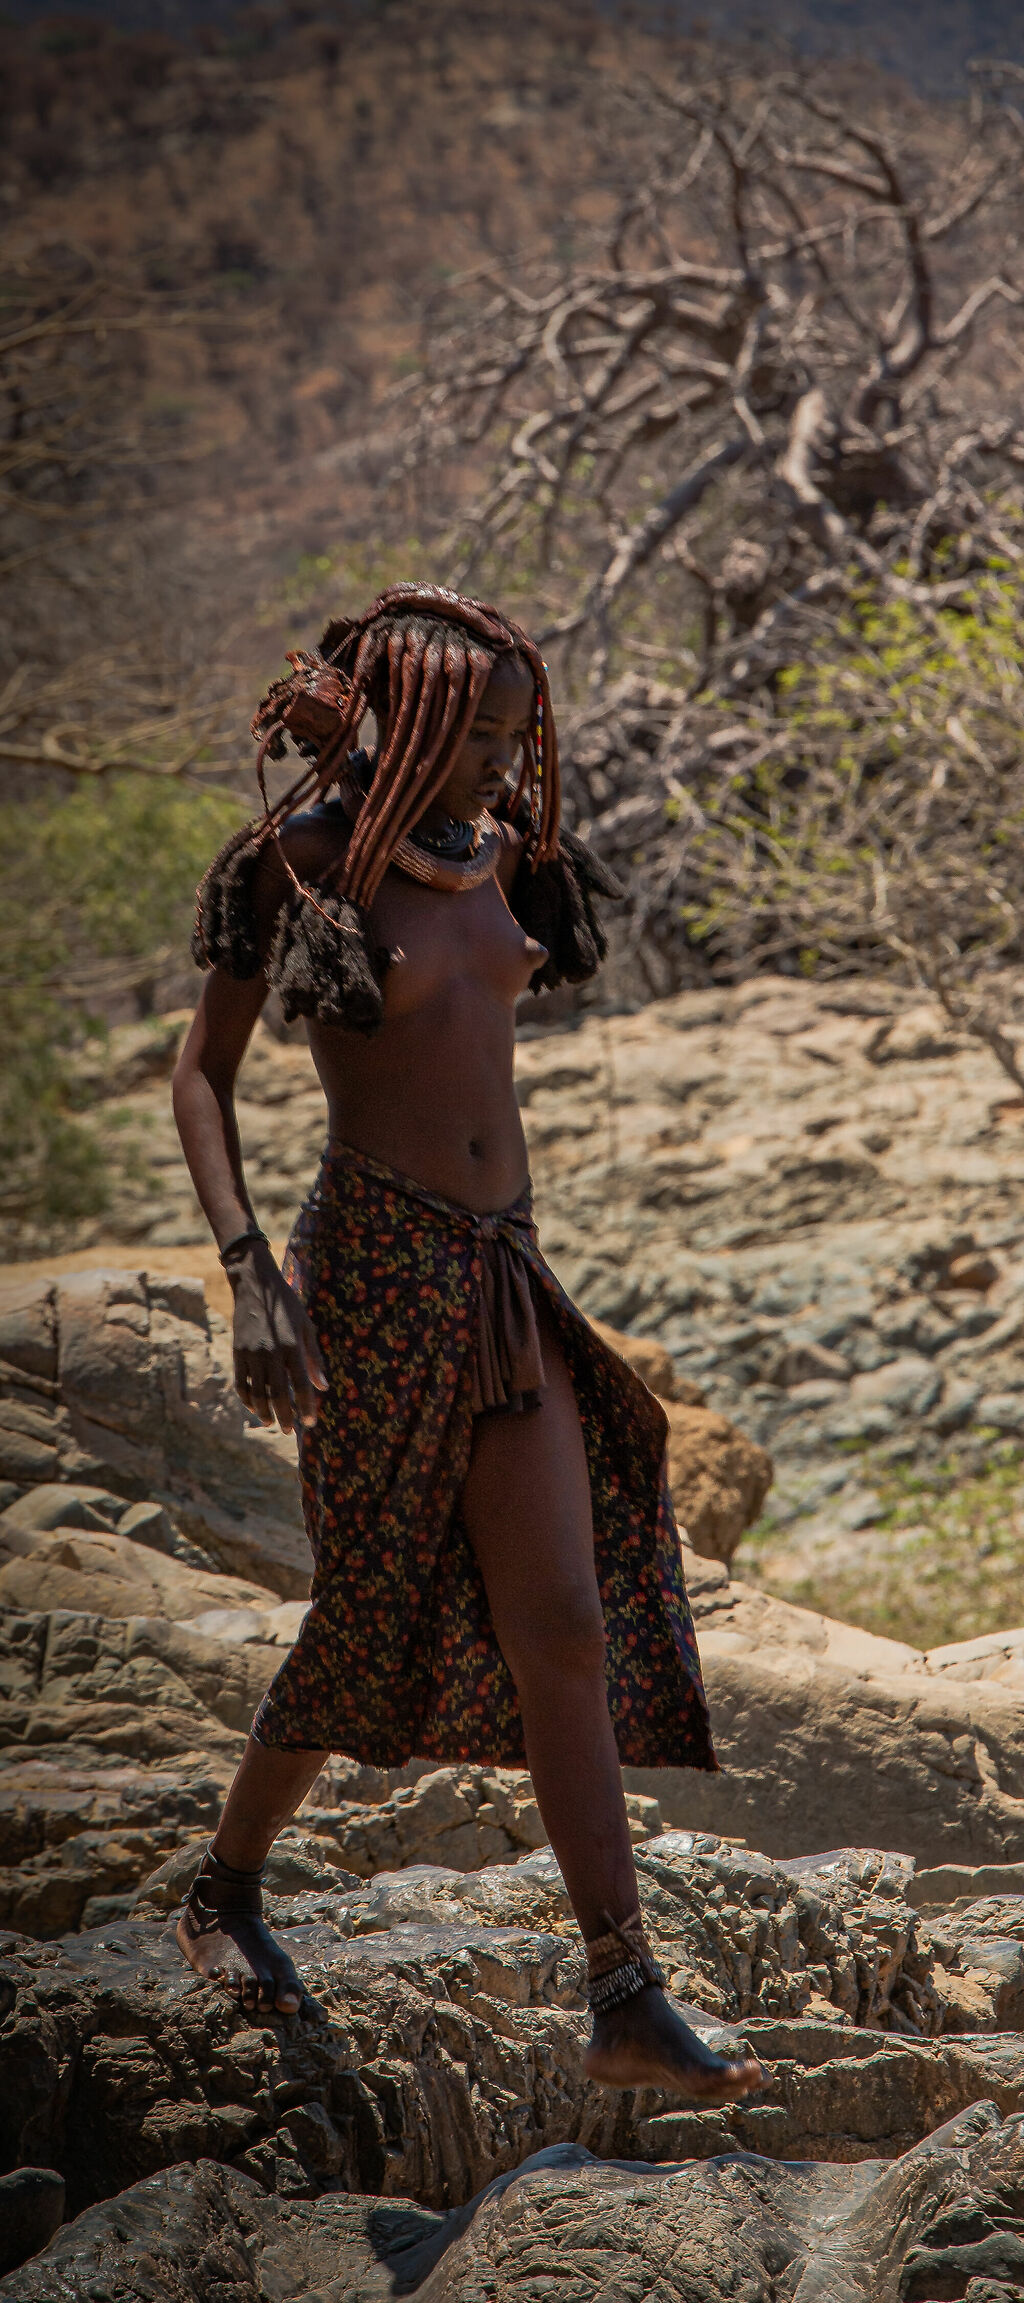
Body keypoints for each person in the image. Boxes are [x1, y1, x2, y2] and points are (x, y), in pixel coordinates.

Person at [171, 581, 762, 2102]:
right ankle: (224, 1887)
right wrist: (249, 1275)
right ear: (414, 717)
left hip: (506, 1272)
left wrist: (506, 818)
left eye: (519, 731)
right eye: (479, 731)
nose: (507, 760)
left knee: (561, 1618)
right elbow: (203, 1078)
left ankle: (623, 1989)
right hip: (371, 1277)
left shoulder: (502, 854)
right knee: (366, 1613)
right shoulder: (304, 866)